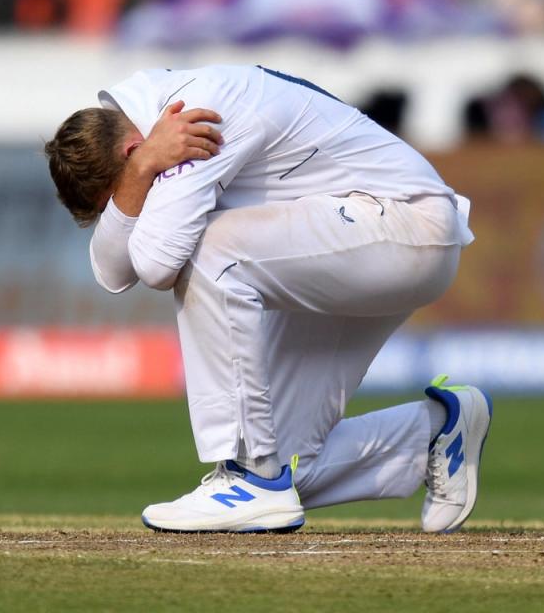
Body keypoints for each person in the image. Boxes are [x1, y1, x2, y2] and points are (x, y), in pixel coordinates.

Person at [44, 64, 492, 533]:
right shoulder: (152, 137)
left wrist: (141, 168)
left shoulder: (194, 113)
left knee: (207, 250)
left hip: (404, 223)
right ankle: (431, 434)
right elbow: (113, 270)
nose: (134, 202)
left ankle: (250, 479)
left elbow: (156, 267)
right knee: (292, 459)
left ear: (131, 150)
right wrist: (138, 172)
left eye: (127, 195)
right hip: (350, 238)